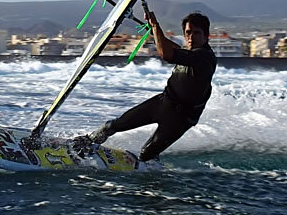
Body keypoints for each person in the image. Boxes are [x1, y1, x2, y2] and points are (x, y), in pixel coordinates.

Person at [80, 11, 216, 162]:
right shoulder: (190, 52)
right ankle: (85, 143)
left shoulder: (205, 57)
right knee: (113, 125)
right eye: (188, 32)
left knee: (146, 155)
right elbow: (168, 45)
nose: (190, 37)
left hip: (180, 119)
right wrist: (152, 28)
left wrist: (156, 26)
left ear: (206, 35)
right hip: (163, 103)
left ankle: (151, 165)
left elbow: (167, 54)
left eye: (196, 33)